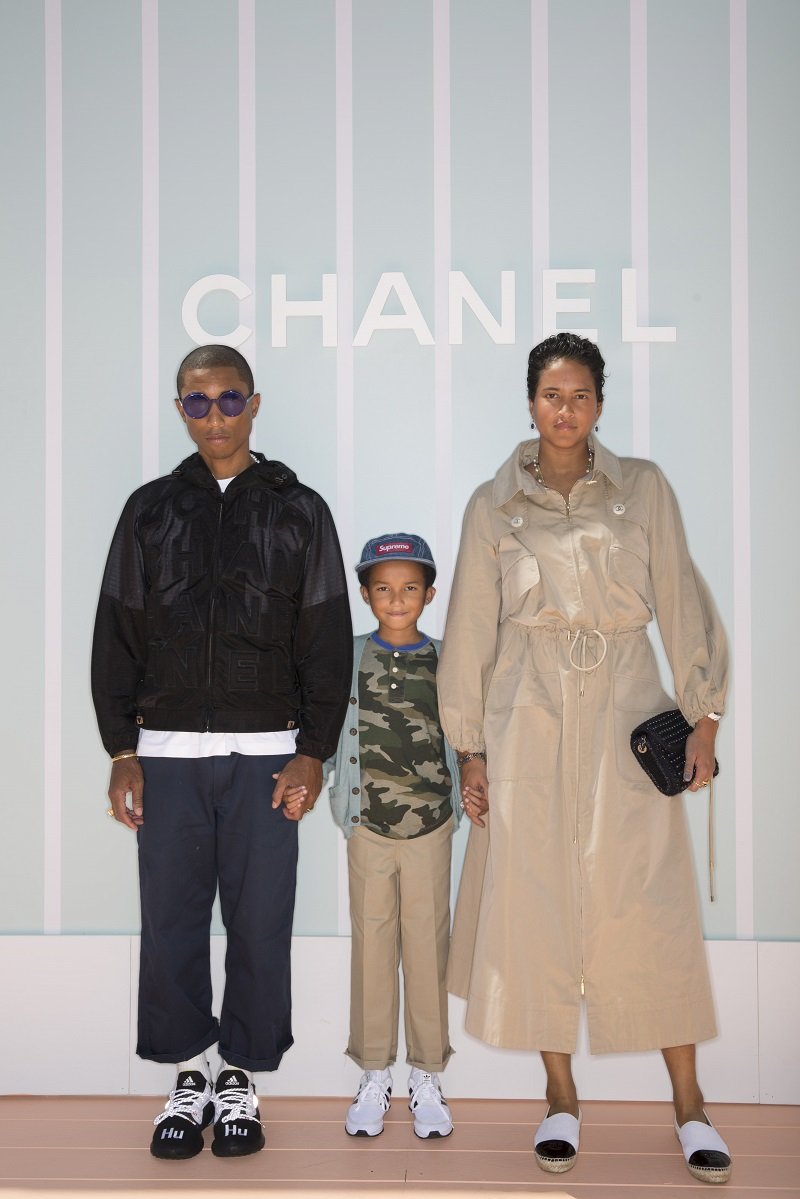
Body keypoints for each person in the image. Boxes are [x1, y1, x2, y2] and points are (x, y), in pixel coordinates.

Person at [437, 332, 732, 1185]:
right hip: (525, 711)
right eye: (549, 394)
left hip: (628, 708)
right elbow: (468, 629)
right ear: (529, 402)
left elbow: (679, 596)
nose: (563, 410)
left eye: (578, 395)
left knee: (650, 899)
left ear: (600, 404)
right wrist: (471, 750)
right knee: (533, 900)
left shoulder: (643, 488)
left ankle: (690, 1103)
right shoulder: (492, 505)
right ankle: (559, 1095)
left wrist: (704, 714)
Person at [91, 344, 352, 1160]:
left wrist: (314, 750)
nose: (215, 416)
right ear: (180, 410)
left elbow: (327, 638)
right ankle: (188, 1072)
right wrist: (120, 749)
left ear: (254, 403)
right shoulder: (148, 510)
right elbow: (116, 632)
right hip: (164, 751)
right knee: (169, 919)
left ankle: (240, 1073)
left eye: (229, 399)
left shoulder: (300, 510)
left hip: (269, 751)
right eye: (197, 402)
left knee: (260, 920)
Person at [324, 534, 463, 1139]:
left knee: (429, 947)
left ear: (429, 594)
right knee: (373, 946)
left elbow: (467, 731)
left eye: (410, 587)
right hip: (368, 827)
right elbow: (326, 726)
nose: (397, 598)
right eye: (383, 588)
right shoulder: (347, 657)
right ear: (365, 595)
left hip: (431, 826)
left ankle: (427, 1073)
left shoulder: (448, 657)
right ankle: (374, 1071)